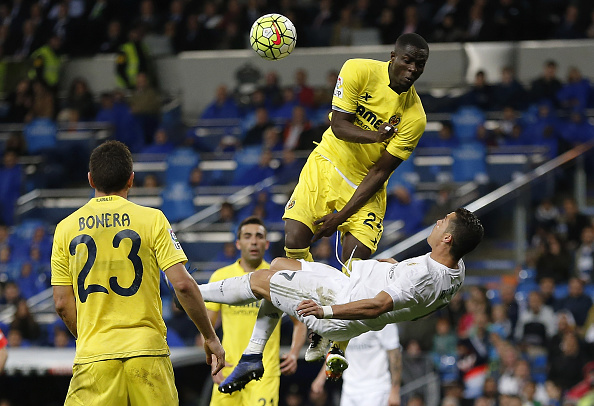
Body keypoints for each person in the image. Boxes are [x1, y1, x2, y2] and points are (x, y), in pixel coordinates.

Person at [199, 208, 483, 393]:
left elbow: (378, 307)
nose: (437, 220)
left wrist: (325, 312)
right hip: (346, 285)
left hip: (338, 303)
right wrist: (393, 269)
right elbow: (417, 305)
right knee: (279, 265)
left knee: (262, 282)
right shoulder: (456, 269)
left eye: (443, 221)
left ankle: (191, 292)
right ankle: (253, 356)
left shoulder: (422, 276)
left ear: (447, 238)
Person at [51, 140, 224, 405]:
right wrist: (210, 336)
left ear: (90, 179)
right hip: (147, 351)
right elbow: (184, 285)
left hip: (95, 354)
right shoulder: (152, 219)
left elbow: (62, 303)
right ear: (131, 180)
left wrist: (91, 338)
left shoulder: (65, 228)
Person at [282, 32, 429, 266]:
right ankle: (308, 292)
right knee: (294, 241)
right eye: (407, 61)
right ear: (393, 57)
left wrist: (340, 217)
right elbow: (339, 126)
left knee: (356, 263)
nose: (413, 69)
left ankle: (340, 300)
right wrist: (376, 136)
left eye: (419, 65)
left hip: (364, 182)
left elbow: (380, 172)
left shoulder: (415, 117)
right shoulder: (358, 70)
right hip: (328, 163)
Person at [205, 216, 306, 406]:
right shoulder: (221, 277)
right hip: (228, 368)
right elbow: (207, 324)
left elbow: (299, 321)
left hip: (264, 373)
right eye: (247, 236)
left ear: (266, 243)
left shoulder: (278, 279)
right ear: (238, 243)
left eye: (259, 236)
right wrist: (212, 357)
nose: (253, 241)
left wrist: (294, 352)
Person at [310, 324, 402, 406]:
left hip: (376, 389)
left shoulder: (383, 318)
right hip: (349, 388)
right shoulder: (341, 320)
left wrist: (395, 390)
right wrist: (320, 379)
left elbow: (395, 355)